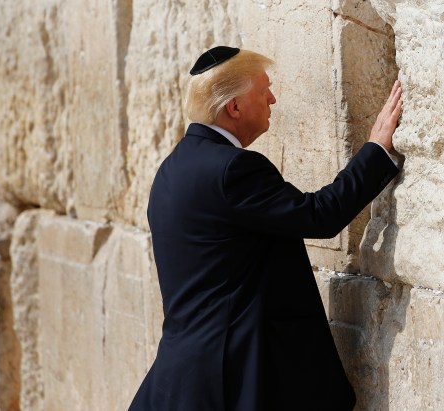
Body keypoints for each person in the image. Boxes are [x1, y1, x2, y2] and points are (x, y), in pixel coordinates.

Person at [128, 46, 402, 410]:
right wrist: (376, 149)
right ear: (234, 107)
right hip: (236, 377)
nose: (272, 98)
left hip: (187, 374)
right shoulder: (232, 170)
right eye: (263, 90)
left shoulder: (171, 169)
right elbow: (318, 215)